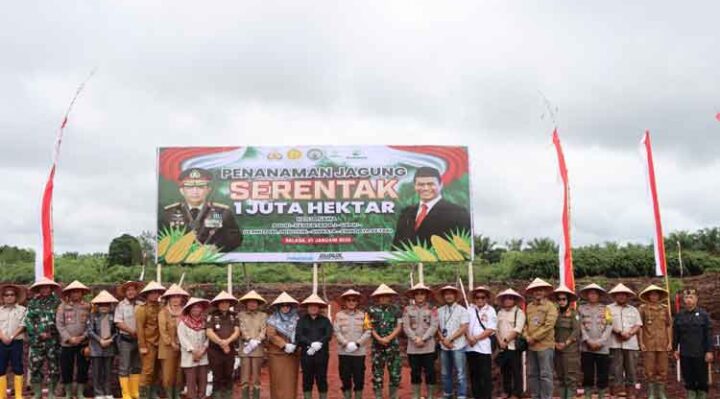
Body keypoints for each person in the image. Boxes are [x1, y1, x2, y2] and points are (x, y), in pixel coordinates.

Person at [161, 167, 242, 252]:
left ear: (208, 190)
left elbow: (236, 237)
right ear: (182, 191)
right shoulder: (169, 212)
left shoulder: (222, 212)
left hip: (213, 261)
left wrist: (216, 247)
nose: (195, 191)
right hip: (176, 261)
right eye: (189, 187)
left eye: (200, 187)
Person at [392, 166, 471, 249]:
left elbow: (464, 245)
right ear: (415, 186)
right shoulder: (406, 212)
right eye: (421, 184)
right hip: (407, 261)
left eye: (430, 184)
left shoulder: (458, 212)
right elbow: (396, 246)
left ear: (441, 185)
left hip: (443, 261)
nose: (425, 188)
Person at [25, 277, 62, 399]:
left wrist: (52, 333)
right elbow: (28, 320)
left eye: (47, 287)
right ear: (38, 289)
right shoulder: (32, 303)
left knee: (54, 367)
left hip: (53, 341)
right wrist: (37, 333)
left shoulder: (58, 302)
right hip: (37, 341)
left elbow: (62, 321)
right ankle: (37, 393)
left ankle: (51, 392)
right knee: (35, 366)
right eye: (42, 287)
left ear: (51, 288)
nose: (45, 289)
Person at [673, 288, 713, 399]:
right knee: (688, 377)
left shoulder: (703, 315)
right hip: (685, 353)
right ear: (683, 300)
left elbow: (708, 335)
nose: (688, 300)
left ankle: (702, 395)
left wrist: (709, 351)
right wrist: (675, 348)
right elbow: (676, 334)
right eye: (686, 297)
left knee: (701, 378)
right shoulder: (679, 316)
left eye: (691, 297)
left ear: (696, 299)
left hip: (700, 353)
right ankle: (691, 395)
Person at [364, 284, 403, 399]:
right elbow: (368, 327)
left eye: (386, 296)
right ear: (377, 297)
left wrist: (388, 338)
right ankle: (378, 396)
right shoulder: (370, 311)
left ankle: (393, 396)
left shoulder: (396, 310)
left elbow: (399, 326)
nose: (384, 298)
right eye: (381, 296)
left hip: (393, 347)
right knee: (377, 374)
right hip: (377, 347)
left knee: (395, 373)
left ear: (390, 297)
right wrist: (379, 339)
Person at [56, 281, 92, 399]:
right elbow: (59, 324)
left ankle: (80, 393)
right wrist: (69, 338)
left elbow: (91, 325)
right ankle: (68, 393)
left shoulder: (88, 306)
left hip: (83, 342)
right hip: (67, 343)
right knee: (66, 367)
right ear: (69, 293)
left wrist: (83, 336)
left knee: (83, 367)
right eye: (73, 292)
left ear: (82, 293)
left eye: (78, 291)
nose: (75, 294)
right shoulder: (63, 307)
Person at [402, 283, 438, 399]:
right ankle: (416, 396)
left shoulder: (432, 309)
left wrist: (423, 339)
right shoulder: (407, 309)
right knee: (415, 373)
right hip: (413, 348)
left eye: (422, 293)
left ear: (426, 295)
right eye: (417, 294)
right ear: (413, 296)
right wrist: (415, 339)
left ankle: (431, 395)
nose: (419, 296)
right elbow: (406, 327)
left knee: (430, 373)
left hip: (428, 347)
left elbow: (434, 326)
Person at [523, 278, 558, 399]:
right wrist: (527, 336)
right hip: (531, 346)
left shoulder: (551, 307)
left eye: (540, 290)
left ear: (545, 292)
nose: (538, 292)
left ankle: (546, 397)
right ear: (532, 292)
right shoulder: (529, 307)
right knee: (533, 374)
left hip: (545, 346)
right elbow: (525, 324)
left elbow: (549, 326)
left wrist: (534, 337)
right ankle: (535, 396)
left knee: (545, 375)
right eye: (535, 290)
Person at [334, 289, 371, 399]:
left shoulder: (364, 315)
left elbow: (368, 331)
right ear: (345, 302)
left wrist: (358, 344)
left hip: (359, 353)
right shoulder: (338, 315)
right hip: (344, 352)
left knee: (359, 378)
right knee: (345, 378)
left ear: (357, 302)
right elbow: (336, 331)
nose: (351, 302)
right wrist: (345, 343)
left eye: (354, 300)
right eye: (348, 300)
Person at [607, 283, 642, 399]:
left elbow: (638, 325)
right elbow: (607, 323)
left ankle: (630, 394)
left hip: (631, 344)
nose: (621, 297)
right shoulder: (608, 309)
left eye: (624, 295)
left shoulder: (634, 310)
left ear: (627, 296)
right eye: (619, 295)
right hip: (614, 343)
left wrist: (630, 333)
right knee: (615, 370)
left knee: (631, 370)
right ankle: (615, 394)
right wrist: (618, 332)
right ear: (615, 296)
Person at [578, 283, 613, 399]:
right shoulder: (581, 309)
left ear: (599, 296)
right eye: (590, 293)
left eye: (595, 294)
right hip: (586, 347)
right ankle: (588, 395)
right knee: (587, 373)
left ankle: (601, 395)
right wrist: (587, 340)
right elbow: (580, 326)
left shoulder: (606, 309)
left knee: (603, 374)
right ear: (587, 295)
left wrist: (601, 341)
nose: (592, 296)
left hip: (602, 347)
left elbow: (609, 326)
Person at [638, 284, 672, 399]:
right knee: (649, 369)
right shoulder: (643, 309)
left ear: (659, 296)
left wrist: (670, 342)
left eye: (656, 294)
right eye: (652, 294)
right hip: (648, 343)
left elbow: (668, 326)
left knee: (663, 369)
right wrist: (641, 342)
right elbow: (640, 327)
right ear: (648, 296)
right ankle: (651, 392)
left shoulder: (665, 308)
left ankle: (661, 392)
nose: (654, 296)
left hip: (663, 343)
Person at [296, 294, 333, 399]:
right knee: (307, 379)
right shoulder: (301, 321)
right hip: (306, 354)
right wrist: (310, 344)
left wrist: (319, 343)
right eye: (311, 306)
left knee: (322, 378)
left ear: (319, 307)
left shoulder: (325, 321)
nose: (313, 308)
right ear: (307, 307)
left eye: (315, 306)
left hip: (322, 354)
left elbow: (328, 335)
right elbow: (299, 335)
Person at [265, 292, 301, 399]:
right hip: (277, 354)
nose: (285, 308)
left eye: (287, 305)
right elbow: (271, 335)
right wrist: (284, 345)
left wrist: (295, 344)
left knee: (291, 381)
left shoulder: (296, 319)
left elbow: (300, 333)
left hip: (292, 355)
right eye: (282, 305)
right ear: (278, 307)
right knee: (278, 380)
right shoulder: (272, 319)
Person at [135, 281, 167, 399]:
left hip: (161, 343)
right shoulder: (141, 309)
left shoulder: (162, 307)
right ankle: (143, 395)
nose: (155, 295)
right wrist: (142, 346)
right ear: (147, 295)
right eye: (152, 293)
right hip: (148, 343)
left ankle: (152, 393)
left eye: (157, 293)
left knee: (157, 370)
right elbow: (139, 329)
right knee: (148, 370)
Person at [436, 285, 469, 399]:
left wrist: (449, 339)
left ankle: (461, 395)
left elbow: (464, 327)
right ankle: (447, 394)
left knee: (460, 373)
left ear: (455, 296)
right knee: (445, 373)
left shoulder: (462, 310)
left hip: (458, 345)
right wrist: (443, 340)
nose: (448, 296)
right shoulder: (439, 311)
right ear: (444, 296)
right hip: (444, 346)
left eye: (451, 293)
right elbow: (437, 328)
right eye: (446, 294)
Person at [205, 291, 240, 399]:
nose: (224, 304)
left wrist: (227, 342)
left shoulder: (234, 316)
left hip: (230, 349)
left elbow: (237, 331)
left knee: (229, 373)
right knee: (217, 374)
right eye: (222, 302)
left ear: (230, 304)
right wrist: (221, 343)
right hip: (215, 350)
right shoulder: (211, 315)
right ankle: (217, 395)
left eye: (226, 302)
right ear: (218, 304)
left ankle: (228, 394)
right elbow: (209, 332)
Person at [158, 284, 189, 399]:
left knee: (179, 373)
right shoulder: (163, 312)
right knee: (168, 374)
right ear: (169, 298)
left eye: (178, 296)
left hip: (183, 347)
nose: (176, 299)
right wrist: (172, 343)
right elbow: (163, 331)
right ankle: (169, 395)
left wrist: (183, 344)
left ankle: (177, 394)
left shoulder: (185, 312)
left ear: (182, 298)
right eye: (173, 296)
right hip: (167, 347)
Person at [115, 281, 145, 399]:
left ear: (136, 291)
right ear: (125, 293)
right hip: (126, 339)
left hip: (139, 340)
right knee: (124, 367)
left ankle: (135, 392)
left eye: (133, 289)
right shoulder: (120, 305)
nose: (131, 292)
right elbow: (118, 322)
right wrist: (131, 331)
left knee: (137, 366)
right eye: (128, 290)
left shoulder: (141, 304)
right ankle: (126, 394)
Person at [86, 290, 119, 399]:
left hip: (109, 347)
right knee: (97, 372)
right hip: (96, 348)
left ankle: (108, 392)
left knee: (108, 372)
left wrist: (110, 340)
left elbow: (117, 331)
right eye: (101, 305)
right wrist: (100, 340)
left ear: (110, 305)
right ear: (97, 305)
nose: (104, 307)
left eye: (106, 304)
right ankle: (98, 392)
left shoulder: (113, 316)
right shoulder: (92, 316)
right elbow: (90, 331)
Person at [465, 285, 496, 399]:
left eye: (482, 297)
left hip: (483, 348)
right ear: (474, 298)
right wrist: (469, 338)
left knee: (485, 376)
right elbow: (465, 326)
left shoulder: (491, 310)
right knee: (474, 376)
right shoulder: (469, 310)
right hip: (470, 347)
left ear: (486, 298)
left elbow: (490, 329)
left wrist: (476, 338)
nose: (480, 300)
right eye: (477, 297)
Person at [551, 285, 580, 399]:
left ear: (568, 300)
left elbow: (576, 331)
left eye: (564, 299)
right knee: (560, 376)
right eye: (559, 299)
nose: (561, 301)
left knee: (570, 377)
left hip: (570, 350)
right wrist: (554, 343)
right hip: (557, 349)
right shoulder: (554, 314)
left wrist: (566, 343)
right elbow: (550, 329)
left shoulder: (574, 314)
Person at [177, 298, 210, 399]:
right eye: (194, 307)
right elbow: (182, 338)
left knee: (203, 379)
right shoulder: (183, 322)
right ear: (189, 309)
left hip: (203, 355)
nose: (196, 309)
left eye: (198, 307)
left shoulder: (205, 322)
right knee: (190, 382)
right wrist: (193, 351)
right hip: (189, 355)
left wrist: (203, 349)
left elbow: (209, 337)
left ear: (201, 309)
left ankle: (202, 396)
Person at [495, 288, 525, 399]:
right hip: (503, 347)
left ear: (514, 300)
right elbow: (495, 329)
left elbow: (518, 329)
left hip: (513, 347)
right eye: (506, 298)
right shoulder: (500, 312)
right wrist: (500, 342)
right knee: (505, 370)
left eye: (510, 298)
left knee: (516, 370)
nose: (508, 300)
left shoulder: (519, 312)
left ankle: (516, 393)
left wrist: (505, 341)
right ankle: (506, 391)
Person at [237, 290, 267, 399]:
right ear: (246, 303)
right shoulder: (241, 315)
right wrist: (249, 339)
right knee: (244, 377)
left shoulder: (263, 315)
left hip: (258, 349)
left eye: (255, 302)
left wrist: (258, 340)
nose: (252, 304)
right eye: (250, 302)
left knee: (256, 377)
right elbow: (241, 328)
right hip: (245, 349)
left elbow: (264, 330)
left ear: (258, 304)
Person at [0, 283, 27, 399]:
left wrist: (11, 337)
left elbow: (23, 325)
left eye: (12, 294)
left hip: (16, 341)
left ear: (16, 296)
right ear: (3, 297)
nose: (9, 297)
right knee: (1, 367)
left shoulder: (23, 310)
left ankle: (19, 395)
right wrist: (3, 337)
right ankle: (2, 395)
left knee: (17, 366)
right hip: (1, 342)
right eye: (6, 295)